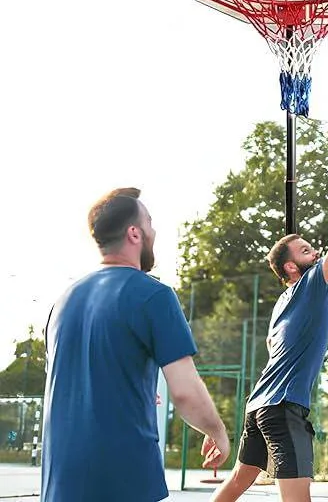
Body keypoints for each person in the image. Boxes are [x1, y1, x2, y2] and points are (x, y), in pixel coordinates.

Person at [41, 188, 230, 502]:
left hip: (59, 484)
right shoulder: (153, 295)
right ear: (134, 233)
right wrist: (217, 432)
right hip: (123, 482)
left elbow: (72, 381)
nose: (153, 231)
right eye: (150, 222)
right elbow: (185, 392)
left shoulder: (61, 301)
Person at [209, 215, 328, 502]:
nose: (316, 253)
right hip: (283, 407)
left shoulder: (282, 302)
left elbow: (272, 345)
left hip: (258, 405)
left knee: (237, 482)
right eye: (307, 251)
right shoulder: (312, 282)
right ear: (291, 267)